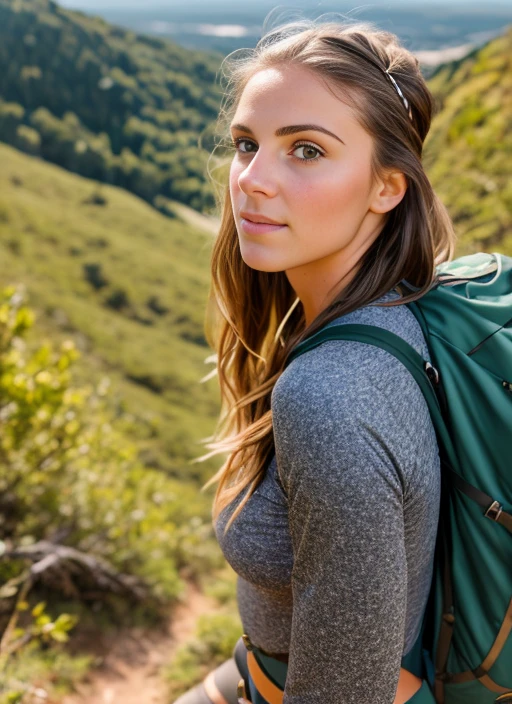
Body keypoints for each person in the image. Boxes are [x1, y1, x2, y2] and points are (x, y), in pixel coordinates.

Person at [175, 15, 456, 704]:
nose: (251, 180)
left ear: (387, 186)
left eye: (305, 150)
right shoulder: (400, 306)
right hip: (257, 669)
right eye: (247, 144)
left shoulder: (330, 394)